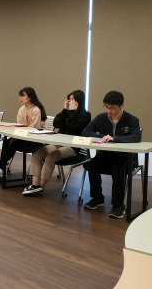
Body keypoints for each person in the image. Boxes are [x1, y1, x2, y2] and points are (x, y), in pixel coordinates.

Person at [81, 91, 141, 219]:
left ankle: (118, 205)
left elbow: (136, 137)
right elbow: (85, 132)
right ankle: (97, 198)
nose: (109, 111)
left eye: (112, 108)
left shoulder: (132, 119)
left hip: (125, 157)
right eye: (106, 107)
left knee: (117, 168)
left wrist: (115, 139)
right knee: (92, 165)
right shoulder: (101, 118)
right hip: (106, 155)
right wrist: (103, 137)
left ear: (121, 106)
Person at [22, 90, 91, 195]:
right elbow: (56, 123)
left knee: (51, 157)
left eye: (73, 100)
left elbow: (73, 127)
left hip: (73, 147)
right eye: (69, 99)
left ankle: (41, 186)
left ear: (79, 101)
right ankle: (35, 184)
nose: (70, 102)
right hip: (58, 143)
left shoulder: (85, 115)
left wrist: (72, 112)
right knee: (37, 154)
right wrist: (64, 110)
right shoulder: (66, 113)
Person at [0, 87, 47, 179]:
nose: (20, 98)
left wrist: (21, 132)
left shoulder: (36, 110)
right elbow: (19, 126)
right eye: (20, 96)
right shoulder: (21, 109)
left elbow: (33, 128)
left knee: (12, 143)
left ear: (29, 97)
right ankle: (1, 168)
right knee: (7, 142)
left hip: (35, 140)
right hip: (24, 137)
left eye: (23, 96)